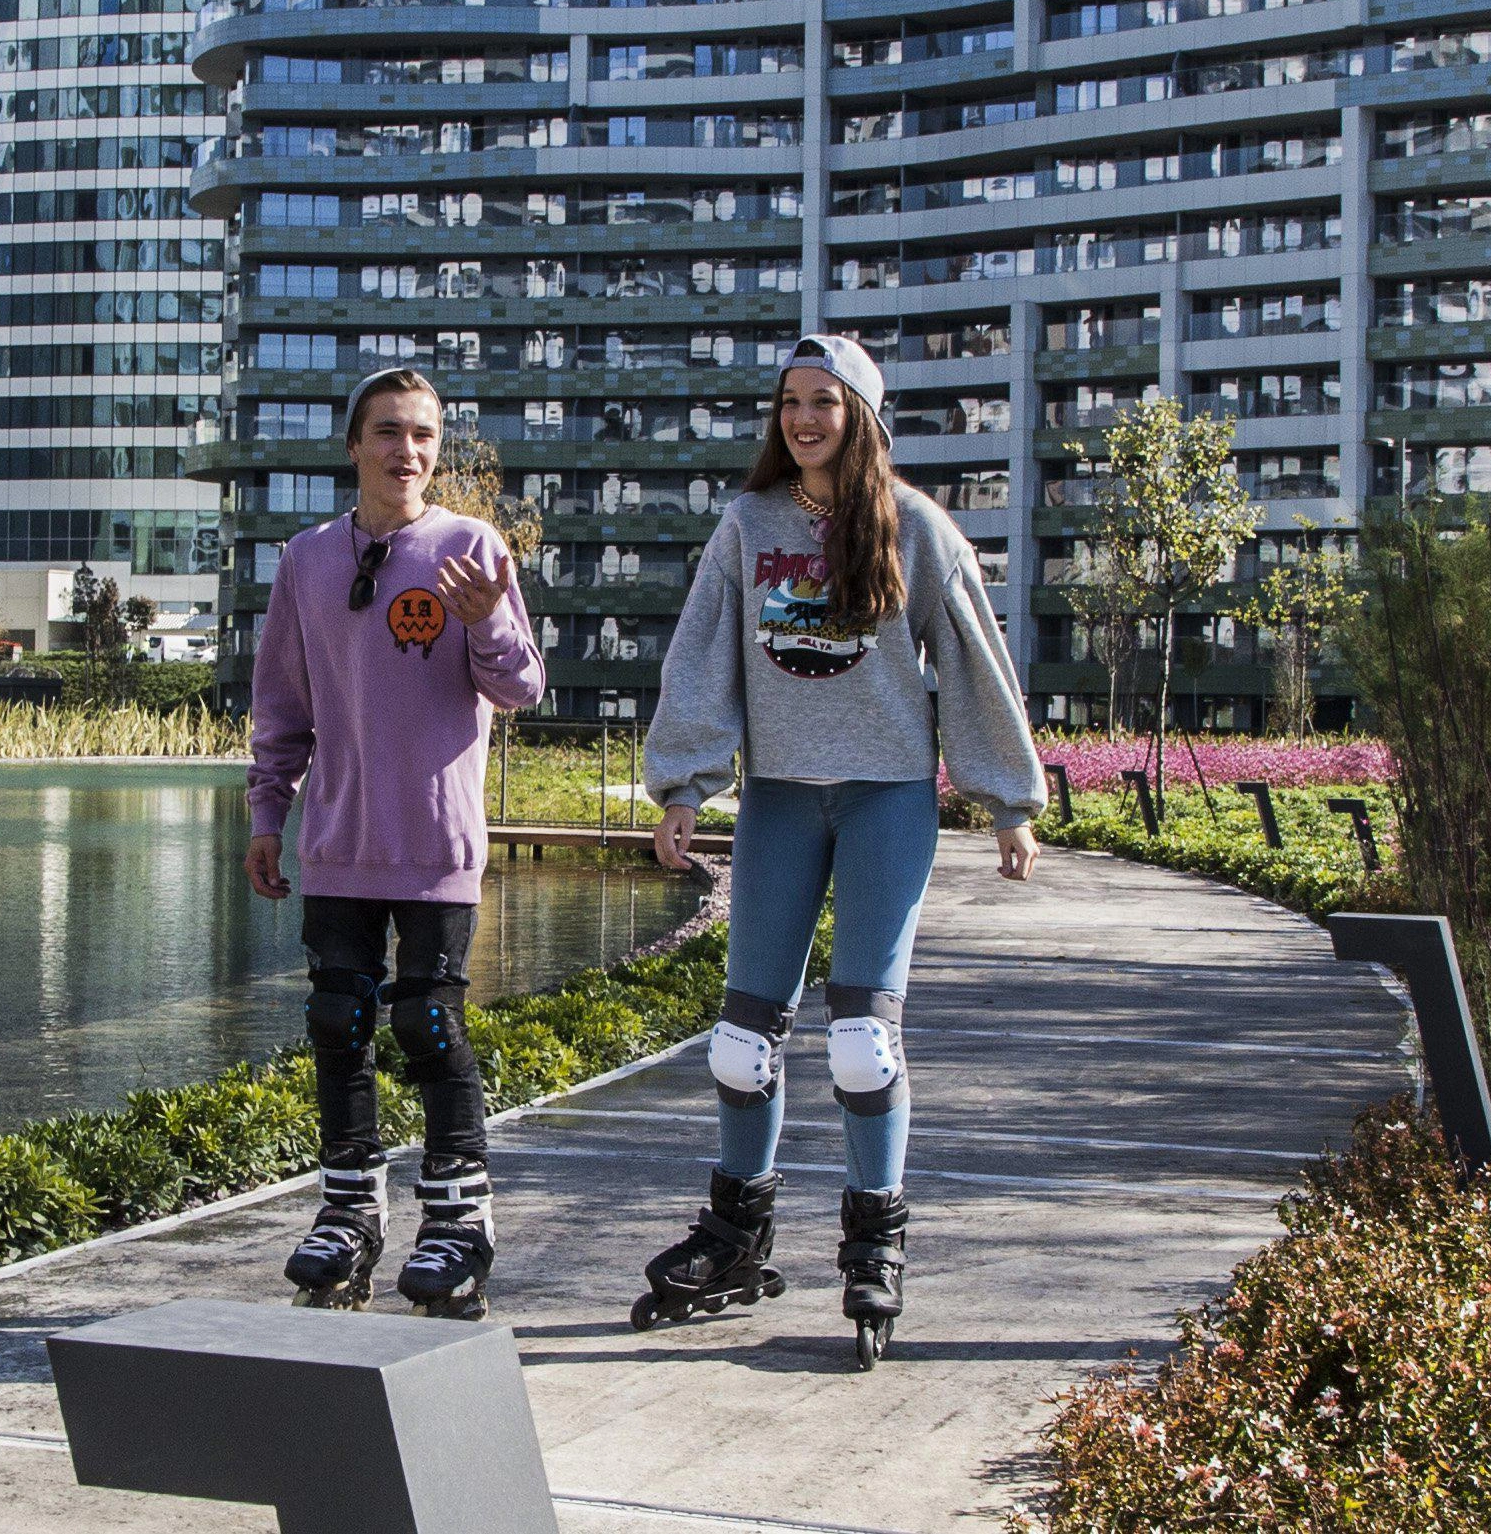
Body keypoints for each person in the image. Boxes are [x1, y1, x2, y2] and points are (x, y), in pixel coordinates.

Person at [632, 331, 1044, 1365]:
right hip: (777, 799)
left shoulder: (915, 525)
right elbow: (699, 658)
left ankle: (874, 1240)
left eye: (823, 400)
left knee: (861, 1039)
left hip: (884, 799)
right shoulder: (746, 523)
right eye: (788, 402)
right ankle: (735, 1233)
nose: (803, 418)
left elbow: (972, 661)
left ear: (861, 415)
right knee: (740, 1038)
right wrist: (683, 783)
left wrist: (1005, 799)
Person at [245, 367, 543, 1315]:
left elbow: (523, 686)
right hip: (337, 840)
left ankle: (458, 1219)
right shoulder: (306, 559)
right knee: (339, 1022)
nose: (406, 451)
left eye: (421, 434)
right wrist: (267, 811)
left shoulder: (471, 547)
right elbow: (282, 706)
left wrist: (486, 619)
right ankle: (349, 1212)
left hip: (436, 844)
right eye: (387, 431)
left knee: (429, 1023)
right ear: (353, 444)